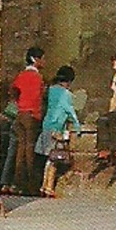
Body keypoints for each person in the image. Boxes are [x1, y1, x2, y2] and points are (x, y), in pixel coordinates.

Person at [37, 65, 81, 198]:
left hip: (46, 125)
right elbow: (70, 111)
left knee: (48, 158)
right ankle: (48, 187)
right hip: (56, 127)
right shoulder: (66, 94)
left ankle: (44, 186)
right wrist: (77, 126)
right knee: (54, 158)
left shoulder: (51, 90)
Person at [10, 46, 45, 196]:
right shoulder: (37, 77)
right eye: (42, 58)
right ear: (35, 59)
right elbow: (40, 97)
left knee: (21, 150)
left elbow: (13, 90)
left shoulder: (21, 75)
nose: (44, 61)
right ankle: (31, 185)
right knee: (30, 151)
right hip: (31, 115)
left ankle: (18, 182)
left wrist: (19, 104)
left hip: (21, 114)